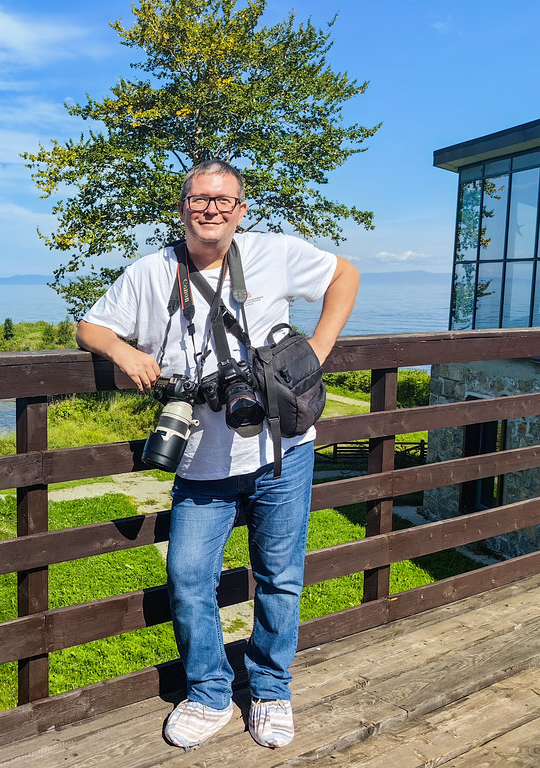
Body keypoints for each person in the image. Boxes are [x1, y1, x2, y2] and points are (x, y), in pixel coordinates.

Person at [76, 159, 359, 751]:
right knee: (187, 576)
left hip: (283, 448)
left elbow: (344, 275)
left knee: (280, 578)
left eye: (224, 200)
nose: (211, 209)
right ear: (182, 207)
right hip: (200, 460)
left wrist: (318, 350)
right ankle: (208, 690)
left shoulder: (272, 252)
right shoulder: (152, 272)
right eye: (200, 199)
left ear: (241, 209)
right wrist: (126, 355)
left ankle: (271, 689)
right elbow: (91, 327)